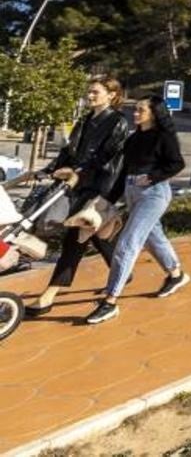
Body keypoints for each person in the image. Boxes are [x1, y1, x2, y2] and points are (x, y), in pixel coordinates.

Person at [23, 77, 130, 317]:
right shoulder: (85, 120)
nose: (89, 96)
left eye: (95, 92)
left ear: (112, 94)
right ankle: (122, 271)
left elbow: (107, 156)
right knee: (96, 237)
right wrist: (47, 170)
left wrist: (78, 172)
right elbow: (68, 151)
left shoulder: (118, 121)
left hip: (98, 188)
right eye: (89, 92)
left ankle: (47, 297)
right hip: (77, 184)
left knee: (75, 240)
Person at [85, 97, 189, 324]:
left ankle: (110, 302)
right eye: (136, 109)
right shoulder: (134, 138)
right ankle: (176, 274)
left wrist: (152, 177)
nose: (135, 113)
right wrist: (108, 200)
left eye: (141, 109)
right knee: (154, 238)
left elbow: (177, 164)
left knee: (127, 243)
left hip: (154, 193)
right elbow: (123, 172)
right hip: (132, 191)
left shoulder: (164, 137)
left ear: (153, 113)